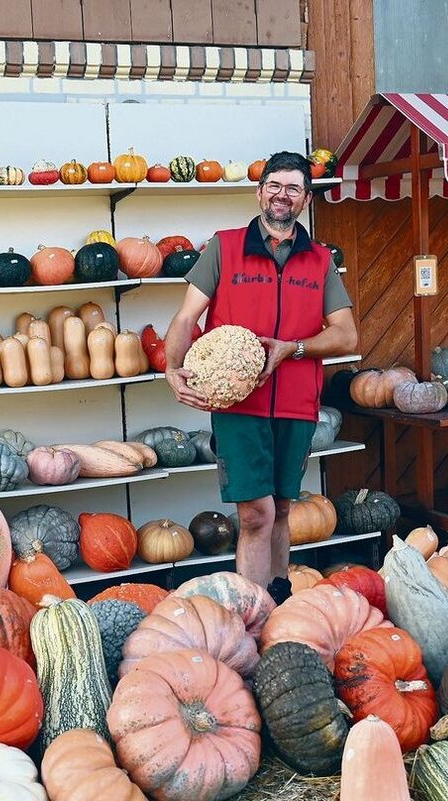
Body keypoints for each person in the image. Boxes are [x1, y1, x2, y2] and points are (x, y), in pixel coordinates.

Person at [164, 151, 359, 603]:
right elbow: (185, 317)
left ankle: (279, 599)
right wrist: (172, 370)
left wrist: (294, 348)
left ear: (306, 199)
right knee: (255, 514)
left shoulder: (319, 261)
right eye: (274, 185)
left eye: (293, 188)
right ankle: (251, 613)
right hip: (239, 407)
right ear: (259, 191)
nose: (281, 195)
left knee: (284, 509)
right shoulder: (225, 247)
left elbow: (346, 335)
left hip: (295, 403)